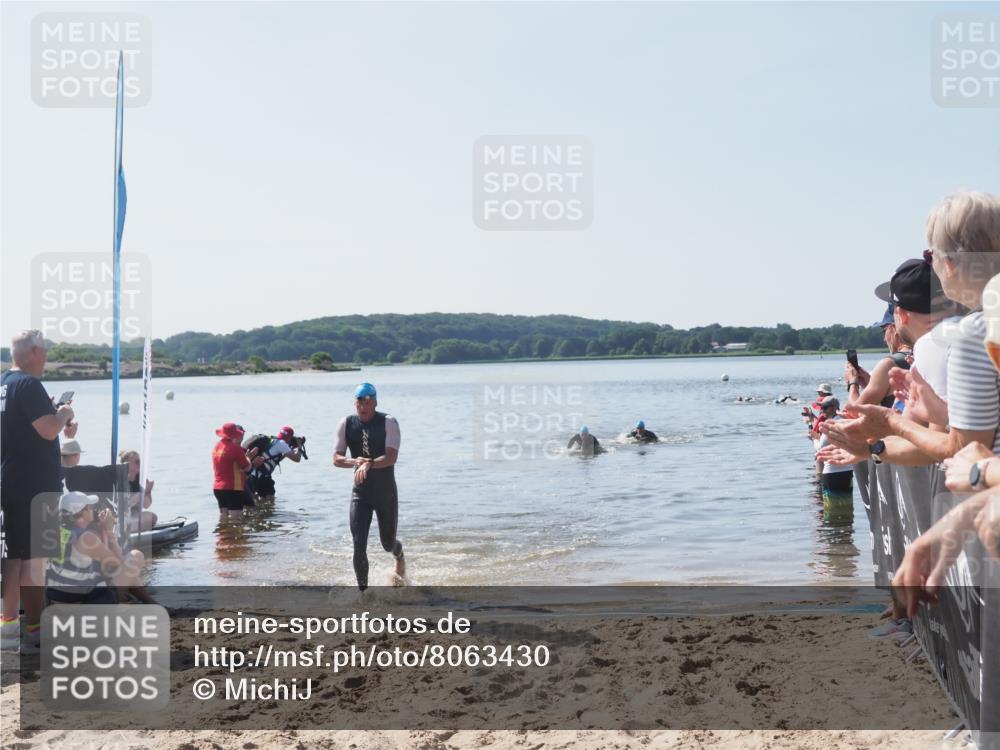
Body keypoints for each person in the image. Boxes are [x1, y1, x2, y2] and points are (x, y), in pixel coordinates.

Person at [824, 192, 1000, 466]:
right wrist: (942, 413)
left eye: (930, 256)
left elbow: (967, 450)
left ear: (949, 264)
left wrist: (891, 423)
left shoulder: (972, 334)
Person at [1, 329, 77, 651]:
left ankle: (8, 627)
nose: (46, 356)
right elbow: (47, 430)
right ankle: (34, 629)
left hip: (11, 481)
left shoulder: (5, 383)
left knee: (13, 557)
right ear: (34, 352)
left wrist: (58, 420)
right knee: (34, 560)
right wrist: (64, 413)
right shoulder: (29, 384)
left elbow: (31, 428)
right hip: (35, 485)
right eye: (44, 350)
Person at [334, 383, 405, 590]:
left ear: (375, 402)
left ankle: (399, 555)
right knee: (358, 544)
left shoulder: (388, 422)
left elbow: (391, 457)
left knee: (387, 544)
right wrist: (355, 461)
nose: (363, 406)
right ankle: (363, 594)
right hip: (361, 494)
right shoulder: (346, 423)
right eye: (359, 401)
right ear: (354, 403)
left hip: (385, 492)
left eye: (367, 401)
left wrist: (370, 463)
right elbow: (336, 458)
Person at [46, 491, 144, 605]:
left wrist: (101, 530)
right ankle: (121, 606)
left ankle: (149, 601)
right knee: (136, 556)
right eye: (89, 507)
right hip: (82, 602)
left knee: (125, 575)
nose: (92, 509)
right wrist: (109, 531)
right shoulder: (86, 538)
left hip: (58, 598)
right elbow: (118, 564)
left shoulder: (56, 532)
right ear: (83, 512)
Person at [814, 397, 854, 524]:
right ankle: (846, 532)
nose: (822, 411)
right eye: (821, 408)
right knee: (846, 506)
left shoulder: (831, 424)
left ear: (833, 408)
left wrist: (814, 438)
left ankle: (835, 533)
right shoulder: (845, 421)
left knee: (831, 510)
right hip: (847, 471)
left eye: (824, 408)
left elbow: (820, 448)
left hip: (832, 472)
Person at [212, 423, 263, 519]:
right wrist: (249, 457)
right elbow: (247, 468)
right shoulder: (236, 449)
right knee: (236, 520)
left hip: (217, 488)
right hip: (233, 488)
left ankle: (223, 529)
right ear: (234, 435)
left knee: (224, 517)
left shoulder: (217, 447)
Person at [245, 426, 304, 501]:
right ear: (290, 438)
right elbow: (297, 459)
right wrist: (300, 446)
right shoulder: (282, 444)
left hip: (253, 475)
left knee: (254, 500)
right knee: (270, 499)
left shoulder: (273, 440)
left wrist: (288, 451)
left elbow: (274, 459)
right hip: (262, 477)